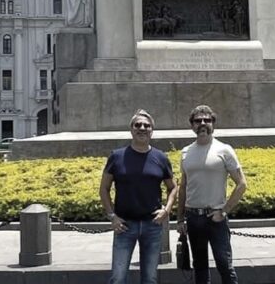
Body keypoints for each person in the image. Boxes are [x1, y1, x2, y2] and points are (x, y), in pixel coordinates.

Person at [100, 109, 177, 284]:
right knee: (118, 278)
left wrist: (167, 209)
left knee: (150, 278)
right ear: (131, 129)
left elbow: (173, 187)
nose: (142, 128)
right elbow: (104, 188)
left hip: (153, 225)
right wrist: (112, 216)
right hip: (124, 226)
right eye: (138, 125)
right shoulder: (117, 156)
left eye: (146, 125)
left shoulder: (161, 157)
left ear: (152, 130)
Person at [177, 105, 248, 284]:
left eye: (207, 120)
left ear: (213, 124)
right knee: (199, 267)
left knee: (224, 265)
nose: (202, 123)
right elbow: (183, 187)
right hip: (193, 218)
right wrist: (179, 219)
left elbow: (241, 184)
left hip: (216, 217)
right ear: (191, 125)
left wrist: (224, 211)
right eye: (198, 120)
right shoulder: (185, 152)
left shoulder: (224, 150)